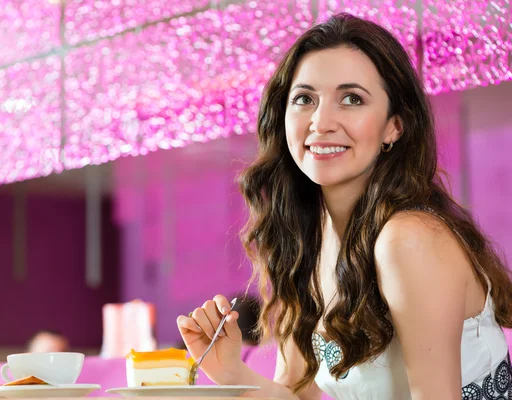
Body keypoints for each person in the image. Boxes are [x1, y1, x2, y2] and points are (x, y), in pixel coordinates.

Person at [177, 13, 512, 400]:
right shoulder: (306, 243)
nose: (321, 122)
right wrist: (232, 371)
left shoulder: (408, 239)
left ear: (394, 126)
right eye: (305, 99)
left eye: (351, 99)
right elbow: (297, 394)